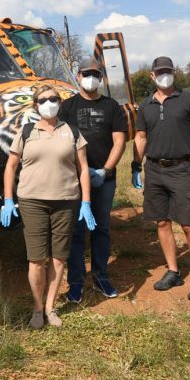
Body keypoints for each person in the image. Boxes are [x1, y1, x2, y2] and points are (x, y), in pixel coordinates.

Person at [1, 84, 95, 329]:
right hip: (32, 202)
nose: (48, 103)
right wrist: (8, 199)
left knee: (59, 257)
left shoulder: (72, 131)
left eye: (53, 98)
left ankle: (50, 307)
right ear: (35, 105)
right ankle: (36, 308)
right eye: (42, 100)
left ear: (60, 102)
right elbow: (11, 166)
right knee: (36, 259)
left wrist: (86, 202)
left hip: (66, 202)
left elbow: (83, 168)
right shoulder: (26, 132)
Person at [132, 56, 190, 301]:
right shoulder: (145, 105)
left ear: (174, 72)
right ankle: (173, 271)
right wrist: (135, 166)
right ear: (152, 76)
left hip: (179, 168)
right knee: (162, 222)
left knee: (188, 224)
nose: (164, 75)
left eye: (168, 71)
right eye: (160, 72)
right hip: (154, 170)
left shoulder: (188, 99)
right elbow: (140, 137)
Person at [59, 58, 128, 302]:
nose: (90, 78)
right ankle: (76, 282)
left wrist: (105, 171)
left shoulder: (112, 106)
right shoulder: (67, 107)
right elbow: (59, 141)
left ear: (101, 78)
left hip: (103, 178)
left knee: (101, 228)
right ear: (77, 76)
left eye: (95, 74)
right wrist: (76, 171)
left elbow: (119, 142)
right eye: (86, 73)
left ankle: (100, 276)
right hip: (74, 179)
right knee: (76, 230)